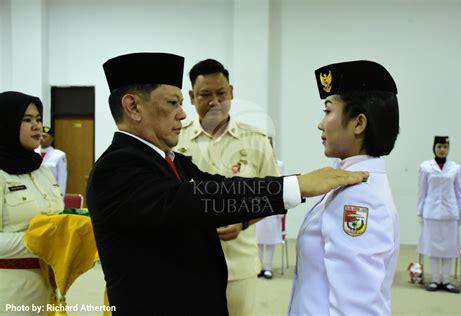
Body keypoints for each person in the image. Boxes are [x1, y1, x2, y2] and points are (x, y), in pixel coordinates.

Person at [86, 52, 368, 315]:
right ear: (133, 106)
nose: (183, 114)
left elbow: (221, 186)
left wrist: (290, 188)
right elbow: (200, 198)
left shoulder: (170, 160)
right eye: (172, 103)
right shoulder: (117, 167)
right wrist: (297, 186)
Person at [288, 60, 400, 315]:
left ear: (359, 124)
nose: (320, 123)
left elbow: (357, 307)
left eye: (328, 111)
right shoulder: (345, 179)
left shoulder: (360, 198)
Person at [175, 58, 280, 315]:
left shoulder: (255, 141)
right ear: (191, 96)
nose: (214, 102)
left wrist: (243, 221)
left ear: (231, 92)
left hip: (238, 265)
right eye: (205, 95)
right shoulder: (175, 139)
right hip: (186, 262)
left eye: (221, 93)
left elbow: (274, 196)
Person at [0, 91, 64, 314]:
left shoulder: (41, 170)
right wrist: (39, 241)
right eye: (26, 120)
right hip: (10, 291)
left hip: (47, 286)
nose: (37, 126)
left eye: (38, 119)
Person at [416, 136, 461, 293]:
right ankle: (436, 279)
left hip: (450, 213)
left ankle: (447, 280)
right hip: (431, 213)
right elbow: (422, 191)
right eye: (439, 146)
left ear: (448, 148)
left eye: (444, 146)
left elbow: (459, 192)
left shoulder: (455, 168)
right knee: (433, 248)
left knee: (449, 248)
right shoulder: (425, 167)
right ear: (434, 148)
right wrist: (420, 211)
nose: (442, 149)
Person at [256, 139, 284, 280]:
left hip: (272, 205)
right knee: (259, 240)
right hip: (258, 204)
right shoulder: (255, 163)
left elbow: (281, 186)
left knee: (271, 239)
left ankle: (268, 267)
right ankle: (260, 267)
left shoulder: (279, 164)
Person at [35, 126, 68, 197]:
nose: (42, 139)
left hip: (51, 192)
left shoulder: (59, 155)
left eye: (45, 136)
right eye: (40, 136)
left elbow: (62, 178)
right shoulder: (33, 153)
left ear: (51, 139)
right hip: (36, 191)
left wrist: (60, 196)